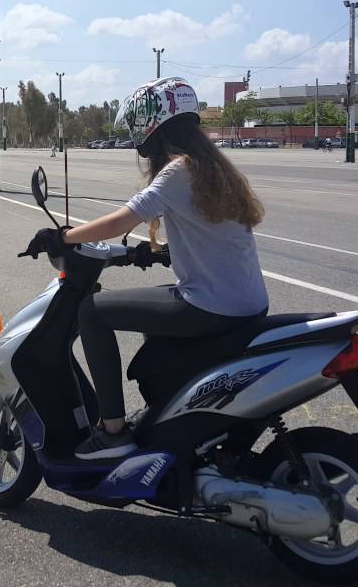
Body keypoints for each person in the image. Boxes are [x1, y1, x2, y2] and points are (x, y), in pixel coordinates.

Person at [58, 77, 269, 460]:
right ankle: (174, 420)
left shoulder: (179, 171)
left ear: (149, 127)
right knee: (151, 322)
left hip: (211, 306)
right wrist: (158, 254)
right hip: (248, 303)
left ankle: (112, 431)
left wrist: (64, 237)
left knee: (91, 313)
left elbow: (122, 221)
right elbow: (210, 234)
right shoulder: (213, 167)